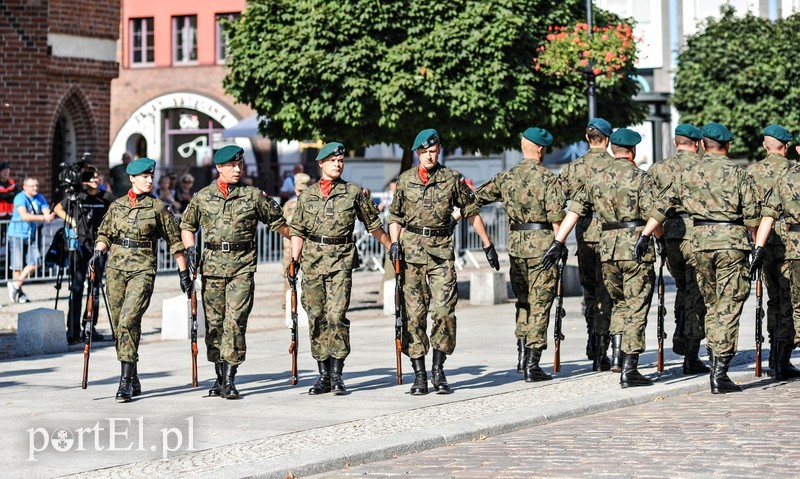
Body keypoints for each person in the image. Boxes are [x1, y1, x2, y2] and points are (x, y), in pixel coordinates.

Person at [639, 122, 761, 394]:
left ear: (703, 145)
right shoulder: (738, 174)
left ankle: (711, 355)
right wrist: (758, 246)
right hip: (731, 243)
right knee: (728, 305)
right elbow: (753, 217)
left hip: (699, 243)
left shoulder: (688, 172)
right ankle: (720, 369)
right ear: (727, 146)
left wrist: (645, 235)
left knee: (710, 302)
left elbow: (662, 206)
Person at [543, 128, 658, 388]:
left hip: (606, 249)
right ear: (633, 151)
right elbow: (656, 215)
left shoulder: (595, 179)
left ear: (612, 148)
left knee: (616, 301)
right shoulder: (642, 179)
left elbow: (574, 210)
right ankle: (628, 365)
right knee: (635, 306)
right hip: (636, 248)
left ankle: (612, 353)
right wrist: (655, 236)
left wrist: (558, 241)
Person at [388, 128, 499, 395]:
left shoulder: (452, 179)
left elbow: (471, 211)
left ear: (439, 151)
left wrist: (488, 244)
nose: (429, 156)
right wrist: (393, 243)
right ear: (417, 153)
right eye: (424, 152)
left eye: (433, 151)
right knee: (413, 316)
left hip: (441, 254)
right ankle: (420, 374)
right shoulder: (405, 180)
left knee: (444, 313)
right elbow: (395, 217)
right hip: (411, 253)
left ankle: (438, 369)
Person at [181, 145, 290, 400]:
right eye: (232, 166)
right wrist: (190, 250)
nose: (237, 169)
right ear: (219, 167)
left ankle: (230, 379)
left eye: (240, 165)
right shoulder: (203, 197)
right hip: (212, 268)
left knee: (235, 321)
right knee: (215, 325)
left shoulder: (253, 196)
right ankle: (219, 377)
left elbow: (279, 224)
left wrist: (301, 240)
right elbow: (187, 226)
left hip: (242, 266)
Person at [290, 142, 392, 395]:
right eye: (333, 160)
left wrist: (392, 245)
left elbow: (373, 224)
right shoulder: (307, 196)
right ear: (321, 164)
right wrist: (294, 261)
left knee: (336, 316)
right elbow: (298, 232)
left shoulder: (353, 192)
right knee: (316, 317)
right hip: (312, 262)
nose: (337, 164)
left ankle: (337, 374)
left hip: (341, 261)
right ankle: (323, 374)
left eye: (341, 161)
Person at [91, 157, 192, 402]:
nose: (149, 180)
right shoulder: (117, 206)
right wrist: (97, 252)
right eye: (144, 177)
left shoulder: (158, 208)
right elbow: (105, 232)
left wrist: (183, 273)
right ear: (132, 178)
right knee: (120, 326)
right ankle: (133, 374)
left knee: (128, 319)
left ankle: (124, 381)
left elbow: (175, 241)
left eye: (151, 176)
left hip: (142, 270)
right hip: (115, 269)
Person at [473, 127, 565, 381]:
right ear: (540, 149)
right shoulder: (549, 179)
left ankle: (522, 355)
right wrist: (560, 243)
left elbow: (475, 198)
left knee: (523, 301)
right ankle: (533, 364)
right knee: (540, 303)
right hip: (543, 244)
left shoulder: (506, 177)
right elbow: (557, 217)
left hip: (516, 245)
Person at [645, 124, 709, 374]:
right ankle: (691, 351)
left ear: (675, 143)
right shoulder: (702, 167)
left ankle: (681, 330)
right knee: (697, 292)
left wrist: (660, 239)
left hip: (670, 235)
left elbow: (651, 208)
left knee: (682, 287)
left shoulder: (657, 168)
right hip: (698, 235)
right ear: (697, 144)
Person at [558, 118, 615, 370]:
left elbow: (557, 201)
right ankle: (603, 347)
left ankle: (593, 337)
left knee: (589, 291)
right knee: (608, 292)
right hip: (611, 234)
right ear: (608, 138)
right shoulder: (615, 166)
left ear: (586, 137)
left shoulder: (573, 168)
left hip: (584, 234)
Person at [746, 124, 796, 378]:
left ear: (765, 146)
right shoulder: (793, 170)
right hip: (790, 241)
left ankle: (773, 353)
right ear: (786, 147)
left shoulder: (751, 172)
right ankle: (781, 358)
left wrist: (756, 244)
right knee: (788, 301)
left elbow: (749, 212)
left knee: (773, 299)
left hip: (763, 241)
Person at [53, 166, 116, 344]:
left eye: (97, 177)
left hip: (98, 248)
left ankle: (89, 326)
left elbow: (116, 214)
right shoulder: (77, 196)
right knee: (77, 288)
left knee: (94, 289)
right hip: (79, 247)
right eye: (91, 177)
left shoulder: (107, 197)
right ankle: (72, 330)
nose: (95, 180)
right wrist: (72, 221)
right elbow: (57, 208)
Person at [7, 177, 55, 303]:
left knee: (36, 261)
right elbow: (24, 216)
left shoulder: (40, 197)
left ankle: (15, 285)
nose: (35, 188)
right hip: (17, 234)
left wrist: (48, 215)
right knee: (17, 265)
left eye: (36, 186)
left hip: (32, 234)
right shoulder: (20, 197)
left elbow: (46, 211)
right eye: (32, 186)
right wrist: (44, 218)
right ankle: (20, 294)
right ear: (25, 186)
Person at [281, 172, 311, 308]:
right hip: (301, 245)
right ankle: (289, 304)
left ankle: (288, 304)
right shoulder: (313, 204)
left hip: (292, 246)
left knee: (290, 275)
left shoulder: (289, 204)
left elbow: (281, 224)